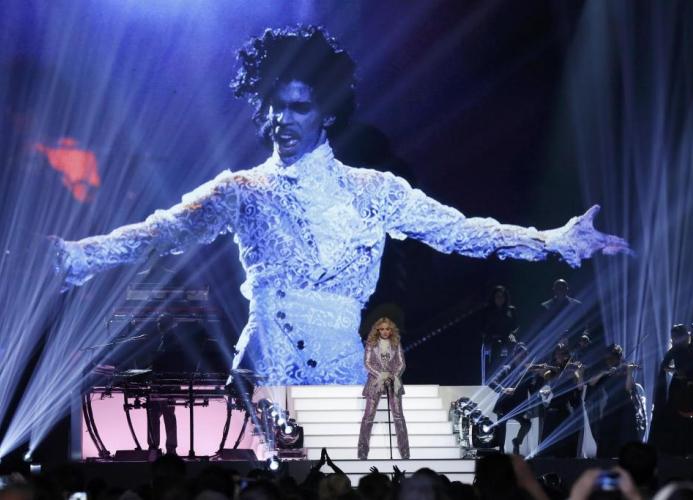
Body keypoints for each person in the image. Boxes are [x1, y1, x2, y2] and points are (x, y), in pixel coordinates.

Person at [52, 26, 630, 386]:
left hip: (340, 371)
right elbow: (160, 232)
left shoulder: (375, 191)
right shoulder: (241, 189)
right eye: (275, 106)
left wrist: (554, 241)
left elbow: (463, 233)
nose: (282, 119)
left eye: (298, 107)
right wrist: (76, 256)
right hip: (267, 364)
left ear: (327, 113)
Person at [649, 324, 693, 457]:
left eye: (677, 337)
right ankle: (675, 448)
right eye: (674, 337)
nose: (675, 339)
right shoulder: (674, 350)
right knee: (674, 414)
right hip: (679, 387)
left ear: (685, 336)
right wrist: (676, 370)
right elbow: (664, 367)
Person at [357, 317, 409, 460]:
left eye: (387, 329)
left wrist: (393, 376)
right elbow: (367, 363)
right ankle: (362, 451)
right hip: (375, 381)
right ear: (378, 330)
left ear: (391, 330)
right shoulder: (371, 344)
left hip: (393, 381)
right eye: (382, 329)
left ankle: (405, 451)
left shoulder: (396, 343)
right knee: (368, 417)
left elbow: (401, 363)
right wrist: (381, 375)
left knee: (398, 417)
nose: (385, 332)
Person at [584, 344, 639, 458]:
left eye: (611, 358)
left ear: (618, 358)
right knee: (607, 433)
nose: (608, 360)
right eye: (607, 358)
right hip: (611, 405)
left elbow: (628, 388)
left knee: (626, 435)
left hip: (625, 406)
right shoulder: (607, 371)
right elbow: (591, 383)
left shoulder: (625, 369)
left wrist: (629, 372)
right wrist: (604, 372)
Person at [534, 343, 582, 457]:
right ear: (555, 355)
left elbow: (579, 386)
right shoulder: (551, 372)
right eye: (558, 354)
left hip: (566, 406)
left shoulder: (572, 369)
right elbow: (547, 386)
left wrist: (579, 373)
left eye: (563, 353)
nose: (560, 356)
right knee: (548, 442)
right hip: (553, 407)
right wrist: (550, 371)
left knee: (567, 442)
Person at [489, 343, 535, 455]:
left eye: (525, 355)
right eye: (521, 354)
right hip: (504, 406)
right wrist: (503, 389)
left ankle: (517, 442)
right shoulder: (506, 369)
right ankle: (501, 449)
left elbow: (532, 389)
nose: (523, 357)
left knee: (527, 424)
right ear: (514, 355)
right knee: (502, 425)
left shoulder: (528, 372)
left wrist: (538, 381)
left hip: (519, 406)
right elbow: (492, 382)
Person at [482, 285, 519, 378]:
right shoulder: (488, 311)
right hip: (493, 337)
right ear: (493, 298)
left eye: (502, 296)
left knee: (514, 344)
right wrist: (491, 335)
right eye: (497, 296)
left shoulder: (511, 310)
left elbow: (516, 326)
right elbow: (485, 328)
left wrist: (512, 334)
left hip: (507, 336)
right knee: (497, 345)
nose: (500, 299)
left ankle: (513, 372)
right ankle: (494, 374)